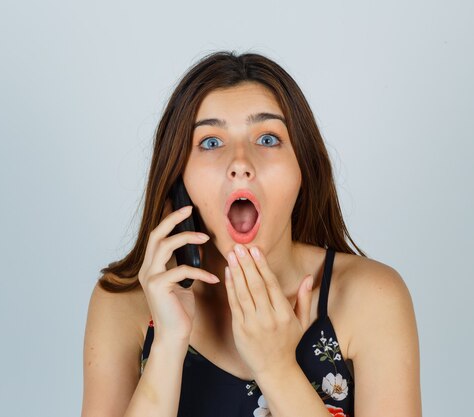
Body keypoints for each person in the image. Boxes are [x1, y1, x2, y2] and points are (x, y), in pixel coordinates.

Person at [81, 51, 421, 417]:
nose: (240, 163)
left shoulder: (372, 297)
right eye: (211, 142)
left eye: (268, 139)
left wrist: (278, 369)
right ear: (180, 179)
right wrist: (167, 344)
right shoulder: (122, 301)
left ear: (302, 167)